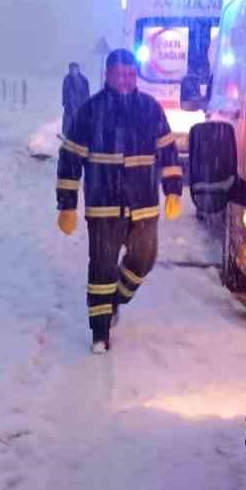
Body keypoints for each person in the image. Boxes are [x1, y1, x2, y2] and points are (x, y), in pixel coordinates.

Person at [55, 47, 184, 353]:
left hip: (144, 206)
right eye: (120, 74)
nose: (126, 79)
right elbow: (70, 159)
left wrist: (174, 189)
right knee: (101, 269)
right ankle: (100, 333)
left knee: (144, 259)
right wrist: (67, 205)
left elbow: (168, 151)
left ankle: (115, 300)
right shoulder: (89, 111)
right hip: (104, 207)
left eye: (130, 74)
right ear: (108, 75)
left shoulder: (150, 108)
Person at [61, 62, 89, 131]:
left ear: (78, 70)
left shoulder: (84, 80)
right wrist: (64, 102)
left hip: (80, 105)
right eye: (71, 69)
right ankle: (66, 136)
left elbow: (87, 94)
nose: (72, 71)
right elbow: (64, 91)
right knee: (67, 124)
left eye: (74, 69)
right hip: (69, 106)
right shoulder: (67, 79)